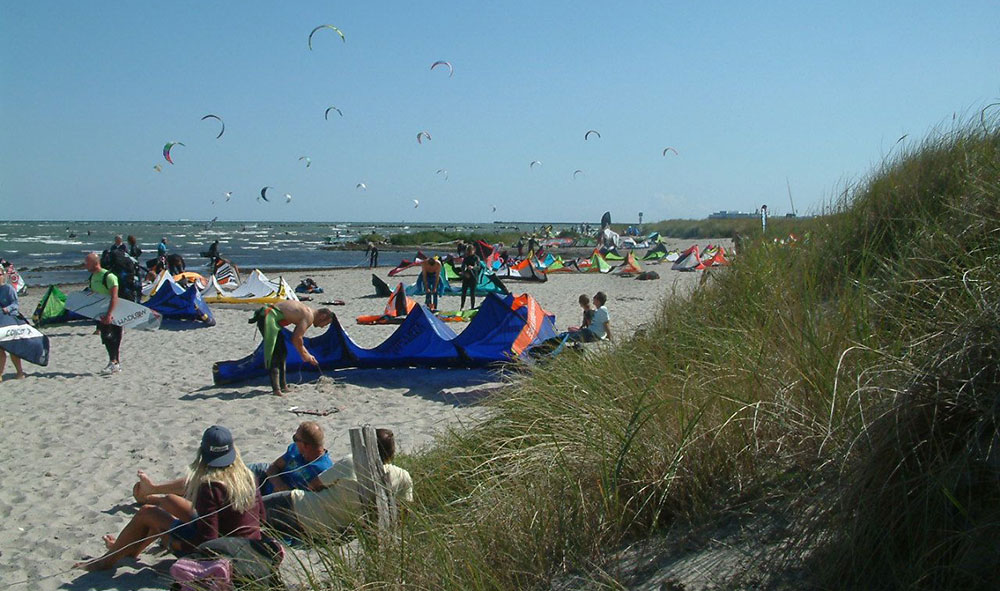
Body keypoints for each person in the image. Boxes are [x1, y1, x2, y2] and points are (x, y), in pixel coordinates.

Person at [76, 425, 265, 571]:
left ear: (203, 455)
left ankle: (105, 561)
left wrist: (174, 541)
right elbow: (262, 520)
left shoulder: (211, 486)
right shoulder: (248, 476)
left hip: (222, 554)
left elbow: (208, 540)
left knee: (148, 513)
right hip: (250, 548)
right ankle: (127, 548)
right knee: (169, 501)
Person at [263, 428, 413, 540]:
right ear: (392, 452)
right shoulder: (403, 477)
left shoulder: (351, 461)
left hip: (301, 506)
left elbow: (313, 485)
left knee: (252, 512)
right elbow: (403, 514)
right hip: (331, 530)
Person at [133, 421, 333, 504]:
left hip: (275, 497)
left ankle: (158, 499)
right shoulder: (294, 451)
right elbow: (274, 466)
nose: (293, 442)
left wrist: (280, 490)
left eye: (295, 439)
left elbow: (309, 501)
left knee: (221, 497)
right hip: (265, 475)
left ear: (305, 445)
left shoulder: (322, 469)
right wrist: (277, 482)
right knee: (217, 478)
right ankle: (153, 489)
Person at [250, 301, 334, 396]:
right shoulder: (309, 316)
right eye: (325, 324)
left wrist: (307, 355)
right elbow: (296, 338)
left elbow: (297, 339)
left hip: (272, 318)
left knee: (283, 352)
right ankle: (276, 389)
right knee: (275, 354)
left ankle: (283, 386)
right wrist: (305, 355)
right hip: (268, 317)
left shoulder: (307, 312)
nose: (322, 327)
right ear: (322, 316)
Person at [84, 252, 122, 374]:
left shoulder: (109, 277)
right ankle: (114, 363)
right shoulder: (93, 277)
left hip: (113, 313)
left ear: (95, 263)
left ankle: (114, 363)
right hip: (100, 313)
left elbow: (114, 297)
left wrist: (109, 314)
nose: (85, 265)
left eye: (87, 262)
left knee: (113, 338)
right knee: (105, 338)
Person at [0, 272, 25, 381]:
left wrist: (7, 309)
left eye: (0, 274)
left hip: (10, 320)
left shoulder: (8, 289)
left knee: (12, 350)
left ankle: (20, 372)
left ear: (3, 275)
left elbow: (15, 304)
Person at [460, 245, 481, 310]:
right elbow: (462, 266)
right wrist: (463, 273)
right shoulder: (466, 258)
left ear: (473, 251)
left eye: (470, 251)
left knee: (472, 293)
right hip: (467, 276)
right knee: (464, 292)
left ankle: (472, 307)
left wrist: (473, 267)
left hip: (473, 277)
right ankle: (462, 306)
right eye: (468, 251)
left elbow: (479, 267)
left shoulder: (476, 258)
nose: (469, 252)